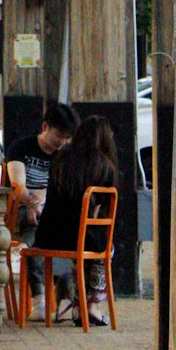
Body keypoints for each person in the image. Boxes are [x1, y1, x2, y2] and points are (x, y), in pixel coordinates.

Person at [33, 115, 118, 324]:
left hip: (47, 236)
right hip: (77, 237)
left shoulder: (60, 158)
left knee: (84, 250)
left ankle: (80, 306)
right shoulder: (104, 166)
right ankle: (92, 306)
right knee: (104, 248)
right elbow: (98, 212)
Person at [6, 101, 80, 321]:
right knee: (37, 228)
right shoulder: (21, 148)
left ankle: (48, 295)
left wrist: (40, 204)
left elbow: (61, 188)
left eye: (68, 137)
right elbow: (17, 184)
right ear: (45, 126)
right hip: (22, 210)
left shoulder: (66, 155)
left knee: (46, 232)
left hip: (48, 211)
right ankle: (50, 296)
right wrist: (31, 203)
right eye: (60, 135)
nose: (63, 142)